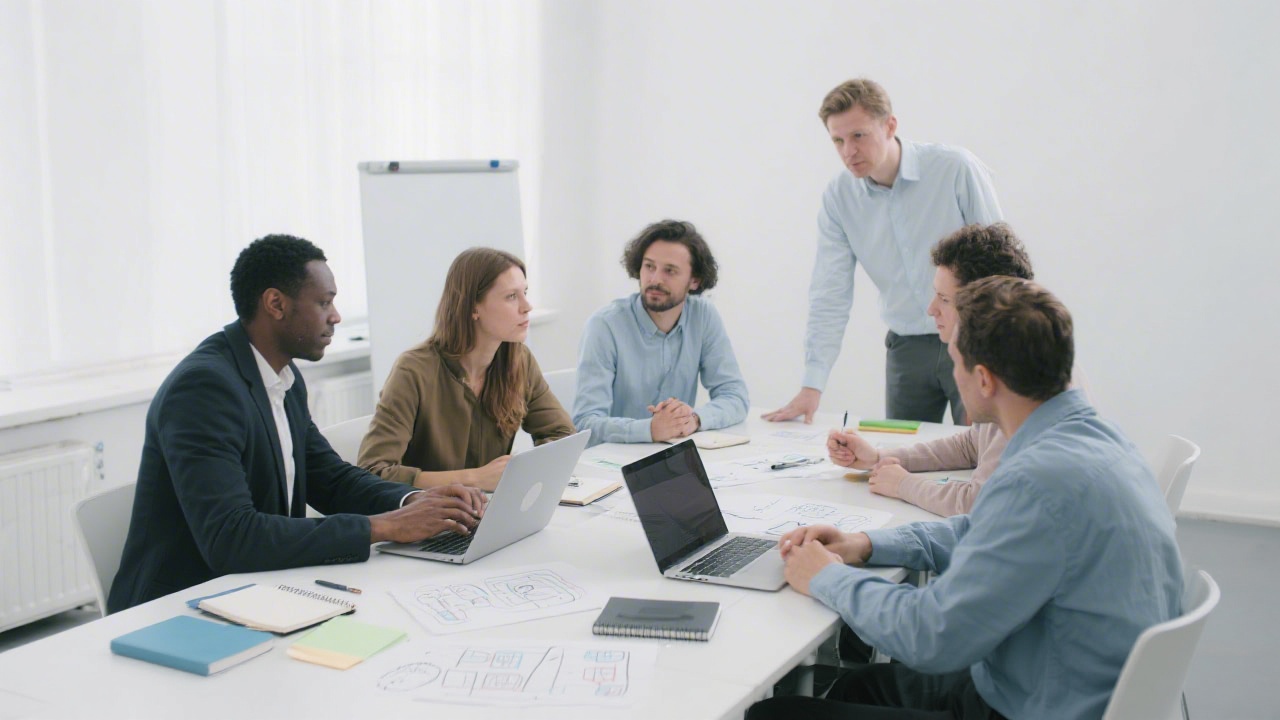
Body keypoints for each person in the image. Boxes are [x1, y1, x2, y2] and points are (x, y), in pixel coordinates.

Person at [751, 277, 1182, 720]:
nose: (952, 376)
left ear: (983, 380)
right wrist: (867, 544)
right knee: (859, 684)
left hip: (1038, 706)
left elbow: (930, 636)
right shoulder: (1099, 441)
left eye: (954, 361)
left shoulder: (1037, 480)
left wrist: (826, 576)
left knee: (774, 715)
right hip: (1058, 683)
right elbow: (983, 530)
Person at [108, 235, 487, 613]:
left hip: (259, 590)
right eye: (324, 302)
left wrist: (418, 503)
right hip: (181, 608)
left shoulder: (282, 377)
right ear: (276, 304)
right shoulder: (204, 389)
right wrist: (386, 526)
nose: (336, 316)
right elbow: (231, 537)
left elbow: (330, 479)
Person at [764, 78, 1002, 426]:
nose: (848, 151)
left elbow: (1001, 267)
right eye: (838, 140)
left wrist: (999, 349)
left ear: (890, 125)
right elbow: (830, 291)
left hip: (973, 340)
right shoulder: (839, 198)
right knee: (901, 461)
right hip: (906, 350)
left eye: (858, 135)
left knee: (985, 453)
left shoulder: (955, 169)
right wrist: (812, 385)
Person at [827, 223, 1032, 516]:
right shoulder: (1009, 351)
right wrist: (879, 458)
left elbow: (980, 504)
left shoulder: (1020, 378)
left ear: (984, 306)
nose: (931, 309)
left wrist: (903, 485)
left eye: (944, 299)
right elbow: (973, 445)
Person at [358, 247, 574, 490]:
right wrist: (475, 478)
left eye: (525, 292)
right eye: (511, 296)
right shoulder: (414, 370)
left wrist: (520, 472)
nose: (527, 306)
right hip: (426, 518)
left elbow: (563, 435)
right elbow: (373, 472)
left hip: (486, 512)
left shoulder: (519, 360)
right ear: (473, 307)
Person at [573, 219, 748, 446]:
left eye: (670, 271)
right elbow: (586, 424)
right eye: (649, 266)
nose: (655, 279)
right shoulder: (604, 326)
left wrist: (693, 419)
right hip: (615, 461)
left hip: (675, 458)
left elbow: (735, 396)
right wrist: (650, 429)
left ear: (694, 280)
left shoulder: (703, 316)